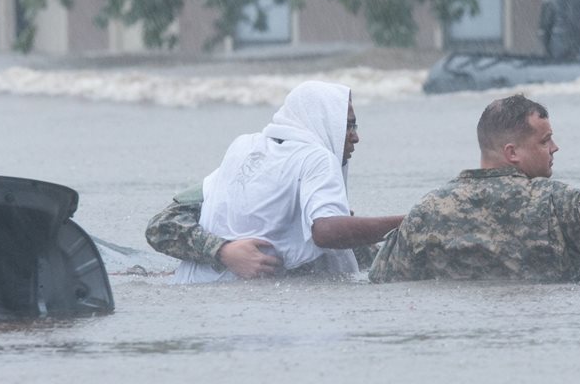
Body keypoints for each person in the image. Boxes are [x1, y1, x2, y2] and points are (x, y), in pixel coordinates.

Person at [368, 94, 580, 283]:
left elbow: (383, 281)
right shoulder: (557, 204)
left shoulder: (427, 210)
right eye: (545, 141)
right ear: (512, 153)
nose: (555, 148)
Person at [147, 81, 403, 283]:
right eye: (348, 125)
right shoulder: (306, 158)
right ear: (324, 122)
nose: (355, 137)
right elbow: (162, 226)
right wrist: (224, 251)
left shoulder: (248, 147)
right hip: (229, 294)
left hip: (199, 289)